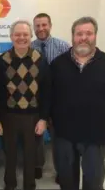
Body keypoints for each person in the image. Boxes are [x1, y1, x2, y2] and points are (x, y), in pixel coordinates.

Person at [0, 20, 51, 190]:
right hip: (8, 116)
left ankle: (29, 185)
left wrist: (43, 118)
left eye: (25, 34)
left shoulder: (40, 59)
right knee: (10, 154)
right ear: (11, 37)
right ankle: (10, 184)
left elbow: (46, 92)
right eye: (17, 34)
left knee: (31, 154)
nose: (21, 38)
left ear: (30, 36)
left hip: (33, 116)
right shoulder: (2, 60)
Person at [50, 16, 105, 190]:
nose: (83, 38)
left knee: (94, 179)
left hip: (96, 133)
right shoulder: (58, 64)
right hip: (64, 133)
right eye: (79, 34)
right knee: (67, 180)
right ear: (73, 37)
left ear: (95, 36)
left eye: (88, 33)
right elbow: (49, 96)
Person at [31, 13, 70, 181]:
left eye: (44, 25)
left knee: (58, 138)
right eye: (37, 26)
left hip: (58, 101)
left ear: (50, 25)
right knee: (36, 136)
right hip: (36, 101)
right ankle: (37, 165)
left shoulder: (63, 47)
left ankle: (61, 170)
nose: (41, 29)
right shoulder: (29, 48)